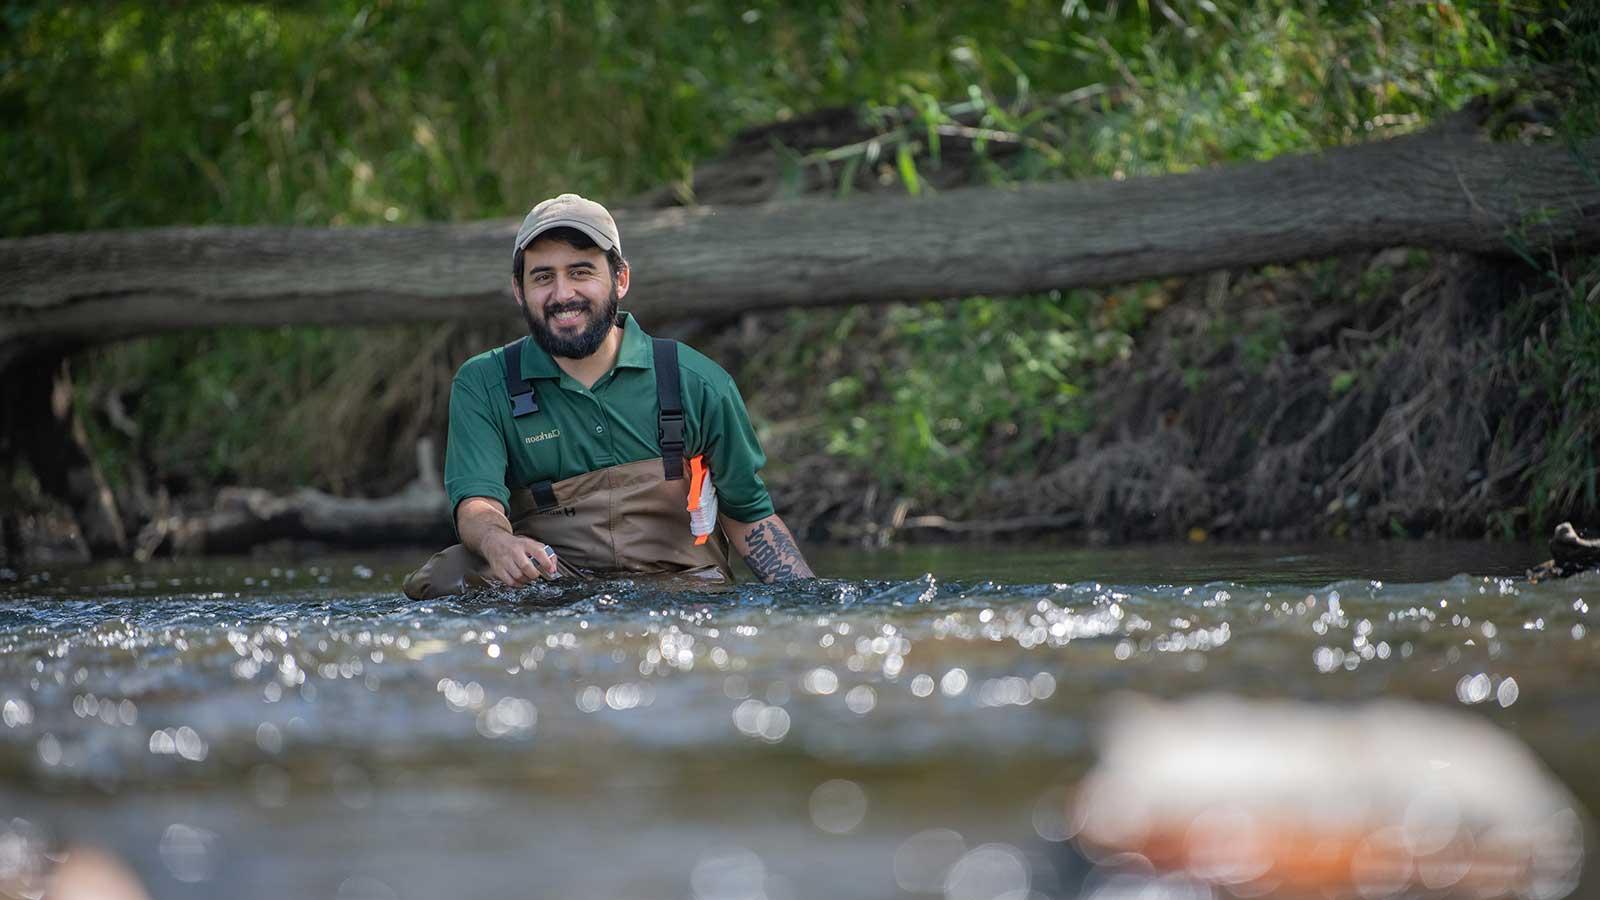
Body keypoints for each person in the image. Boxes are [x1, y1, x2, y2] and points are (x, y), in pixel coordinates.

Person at [403, 193, 814, 598]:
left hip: (685, 596)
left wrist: (812, 604)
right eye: (543, 277)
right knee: (446, 575)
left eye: (581, 272)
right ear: (518, 289)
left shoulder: (698, 382)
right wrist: (497, 542)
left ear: (620, 279)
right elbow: (477, 505)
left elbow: (750, 517)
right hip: (552, 594)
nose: (563, 294)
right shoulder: (483, 383)